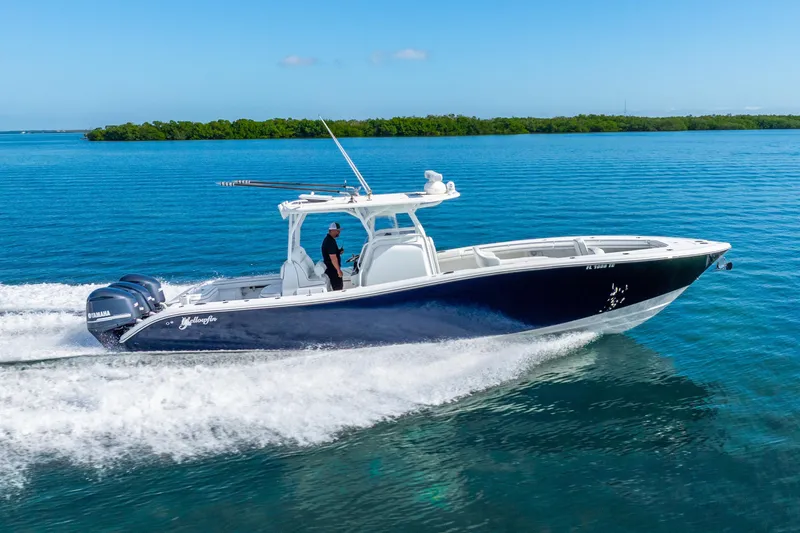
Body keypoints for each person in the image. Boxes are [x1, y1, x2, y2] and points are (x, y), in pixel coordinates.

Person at [321, 222, 344, 290]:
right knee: (338, 288)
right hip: (332, 269)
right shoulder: (330, 242)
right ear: (332, 231)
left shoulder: (330, 240)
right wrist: (338, 271)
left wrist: (338, 252)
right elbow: (333, 259)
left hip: (331, 268)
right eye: (338, 231)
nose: (339, 232)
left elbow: (331, 253)